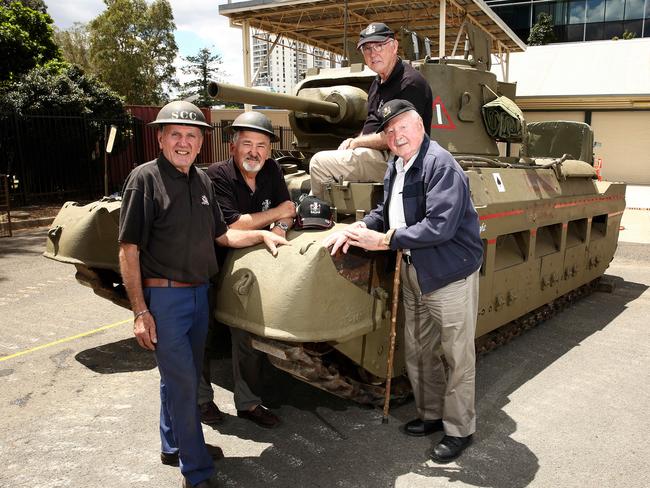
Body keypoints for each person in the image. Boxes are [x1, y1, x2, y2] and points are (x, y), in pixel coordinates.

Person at [118, 101, 288, 488]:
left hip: (198, 296)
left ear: (201, 143)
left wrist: (262, 233)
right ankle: (196, 471)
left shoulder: (202, 181)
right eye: (175, 134)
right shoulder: (144, 180)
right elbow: (129, 249)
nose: (183, 142)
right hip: (164, 298)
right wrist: (140, 311)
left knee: (181, 377)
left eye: (191, 135)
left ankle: (173, 444)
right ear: (160, 138)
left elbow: (223, 235)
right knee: (181, 386)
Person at [323, 99, 483, 463]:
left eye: (403, 128)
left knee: (458, 355)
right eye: (390, 132)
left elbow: (440, 226)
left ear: (420, 127)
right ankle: (431, 415)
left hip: (448, 274)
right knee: (419, 349)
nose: (397, 136)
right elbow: (387, 210)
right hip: (413, 270)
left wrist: (385, 241)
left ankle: (459, 429)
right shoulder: (398, 164)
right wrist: (363, 225)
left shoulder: (441, 166)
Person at [202, 111, 295, 429]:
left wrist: (281, 225)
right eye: (247, 143)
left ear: (269, 150)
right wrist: (274, 214)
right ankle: (202, 400)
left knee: (246, 333)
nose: (254, 151)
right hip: (213, 262)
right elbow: (233, 223)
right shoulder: (217, 175)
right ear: (233, 147)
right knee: (202, 333)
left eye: (261, 145)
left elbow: (289, 209)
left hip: (249, 266)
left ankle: (249, 402)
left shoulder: (272, 170)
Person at [309, 22, 433, 200]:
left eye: (379, 46)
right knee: (333, 158)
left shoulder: (409, 83)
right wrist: (356, 141)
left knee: (319, 163)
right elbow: (372, 123)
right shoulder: (377, 83)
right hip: (376, 154)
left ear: (394, 46)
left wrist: (357, 143)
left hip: (399, 158)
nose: (373, 53)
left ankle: (317, 213)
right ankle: (319, 206)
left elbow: (397, 137)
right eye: (367, 48)